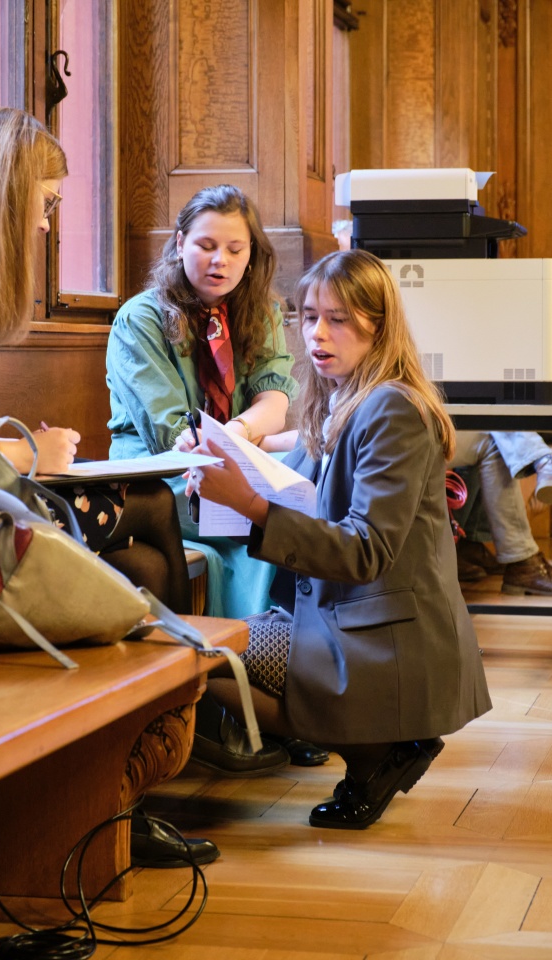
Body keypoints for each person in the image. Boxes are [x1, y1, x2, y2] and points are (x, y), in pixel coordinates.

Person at [0, 106, 209, 867]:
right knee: (148, 508)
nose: (47, 224)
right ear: (4, 194)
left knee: (141, 550)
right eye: (44, 203)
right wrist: (26, 453)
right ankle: (138, 782)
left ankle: (124, 786)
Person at [187, 248, 492, 829]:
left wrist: (246, 501)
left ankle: (377, 751)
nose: (317, 334)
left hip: (381, 637)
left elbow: (366, 549)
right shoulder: (343, 397)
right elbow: (294, 481)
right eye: (308, 317)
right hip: (346, 618)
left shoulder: (391, 409)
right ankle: (380, 749)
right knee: (198, 646)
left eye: (338, 319)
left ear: (378, 324)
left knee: (198, 655)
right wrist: (222, 462)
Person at [106, 184, 329, 773]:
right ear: (180, 243)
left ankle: (285, 700)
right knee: (263, 529)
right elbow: (170, 431)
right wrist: (225, 449)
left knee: (308, 504)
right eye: (206, 245)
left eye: (235, 248)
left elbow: (275, 401)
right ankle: (230, 710)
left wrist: (241, 435)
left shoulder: (257, 312)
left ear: (252, 254)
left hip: (234, 458)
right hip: (160, 478)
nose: (220, 261)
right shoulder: (141, 318)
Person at [451, 432, 552, 594]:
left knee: (490, 433)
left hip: (430, 427)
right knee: (494, 443)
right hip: (413, 432)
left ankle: (469, 544)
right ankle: (521, 558)